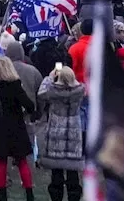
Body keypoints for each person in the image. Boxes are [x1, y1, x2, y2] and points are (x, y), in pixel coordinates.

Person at [0, 56, 35, 201]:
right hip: (16, 127)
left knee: (1, 162)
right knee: (22, 161)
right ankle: (29, 194)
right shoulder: (15, 85)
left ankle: (3, 195)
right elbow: (29, 105)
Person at [35, 65, 82, 201]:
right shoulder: (79, 91)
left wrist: (50, 77)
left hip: (56, 133)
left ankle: (56, 197)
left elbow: (41, 92)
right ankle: (74, 197)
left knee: (56, 171)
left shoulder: (52, 92)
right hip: (73, 134)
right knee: (73, 172)